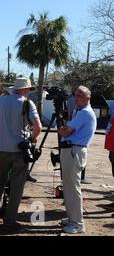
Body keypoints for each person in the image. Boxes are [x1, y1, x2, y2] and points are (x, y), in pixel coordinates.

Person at [0, 77, 42, 230]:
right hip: (19, 151)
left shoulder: (1, 100)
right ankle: (9, 221)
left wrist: (4, 125)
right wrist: (31, 139)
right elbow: (38, 127)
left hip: (2, 149)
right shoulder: (27, 103)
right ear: (24, 90)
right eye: (28, 89)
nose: (28, 92)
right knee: (16, 186)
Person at [58, 86, 97, 234]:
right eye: (76, 95)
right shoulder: (80, 112)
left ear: (88, 98)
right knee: (69, 188)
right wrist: (65, 129)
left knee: (72, 189)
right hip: (73, 150)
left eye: (80, 95)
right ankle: (72, 219)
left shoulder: (85, 113)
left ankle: (78, 224)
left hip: (74, 151)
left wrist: (63, 129)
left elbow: (66, 132)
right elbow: (67, 131)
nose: (76, 98)